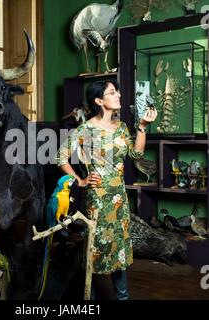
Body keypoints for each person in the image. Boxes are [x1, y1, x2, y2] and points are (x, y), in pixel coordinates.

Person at [56, 80, 157, 300]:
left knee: (119, 251)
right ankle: (89, 300)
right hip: (98, 200)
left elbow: (137, 155)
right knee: (95, 250)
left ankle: (123, 297)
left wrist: (142, 127)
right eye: (113, 92)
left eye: (117, 91)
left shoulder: (121, 127)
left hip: (120, 199)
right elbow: (61, 157)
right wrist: (80, 181)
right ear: (99, 101)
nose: (118, 95)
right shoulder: (85, 129)